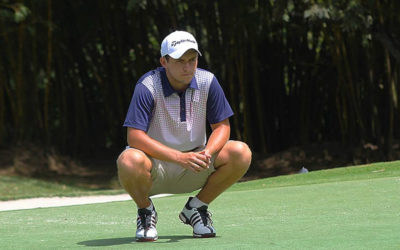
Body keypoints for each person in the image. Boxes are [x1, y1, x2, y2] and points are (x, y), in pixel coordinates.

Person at [116, 30, 252, 242]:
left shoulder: (208, 81)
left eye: (192, 59)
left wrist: (207, 153)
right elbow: (134, 137)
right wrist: (180, 158)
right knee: (128, 160)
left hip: (196, 165)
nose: (188, 67)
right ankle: (146, 211)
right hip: (155, 169)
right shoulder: (147, 86)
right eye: (180, 61)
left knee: (240, 152)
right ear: (164, 61)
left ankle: (196, 208)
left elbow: (222, 127)